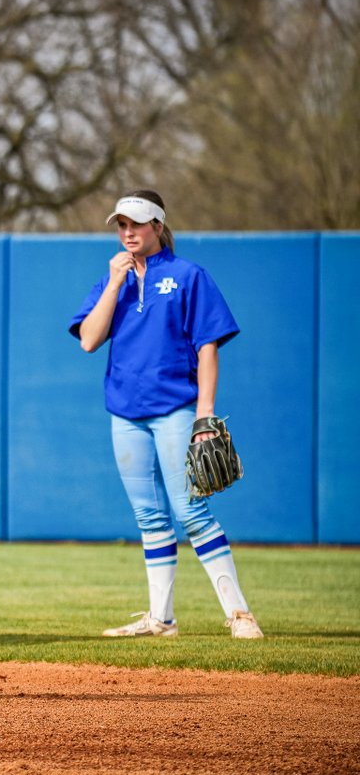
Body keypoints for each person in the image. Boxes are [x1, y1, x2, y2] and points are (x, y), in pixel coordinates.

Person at [69, 189, 264, 640]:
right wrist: (115, 282)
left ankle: (239, 614)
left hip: (175, 407)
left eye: (136, 223)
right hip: (125, 412)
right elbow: (89, 340)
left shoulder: (188, 275)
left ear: (158, 225)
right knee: (149, 517)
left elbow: (208, 347)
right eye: (121, 224)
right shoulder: (112, 280)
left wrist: (204, 415)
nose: (128, 232)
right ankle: (162, 619)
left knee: (191, 511)